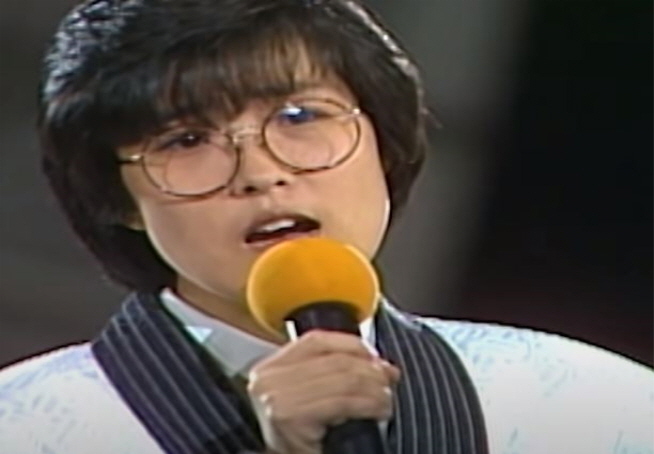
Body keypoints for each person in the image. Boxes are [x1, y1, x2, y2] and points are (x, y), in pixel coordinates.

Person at [0, 0, 651, 453]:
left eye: (300, 117)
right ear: (117, 198)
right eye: (187, 139)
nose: (260, 173)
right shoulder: (25, 427)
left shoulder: (590, 407)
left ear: (384, 140)